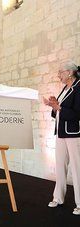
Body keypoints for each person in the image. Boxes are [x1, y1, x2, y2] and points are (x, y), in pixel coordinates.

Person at [44, 61, 80, 215]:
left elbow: (77, 113)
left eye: (60, 72)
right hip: (60, 134)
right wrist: (54, 106)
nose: (58, 75)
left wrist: (59, 107)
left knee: (77, 169)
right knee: (60, 167)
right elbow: (59, 111)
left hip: (74, 134)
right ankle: (58, 198)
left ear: (70, 72)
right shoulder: (65, 89)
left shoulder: (79, 88)